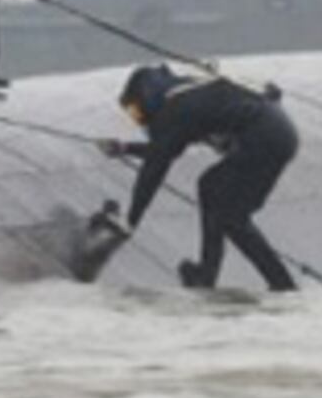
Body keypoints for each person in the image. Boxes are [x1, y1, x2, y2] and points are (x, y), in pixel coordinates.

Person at [96, 63, 299, 291]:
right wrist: (124, 148)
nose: (139, 120)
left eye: (136, 112)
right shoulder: (188, 94)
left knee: (219, 200)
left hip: (263, 137)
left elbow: (155, 168)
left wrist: (131, 221)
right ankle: (267, 282)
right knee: (224, 206)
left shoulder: (173, 108)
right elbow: (166, 149)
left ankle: (219, 276)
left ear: (146, 97)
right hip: (282, 136)